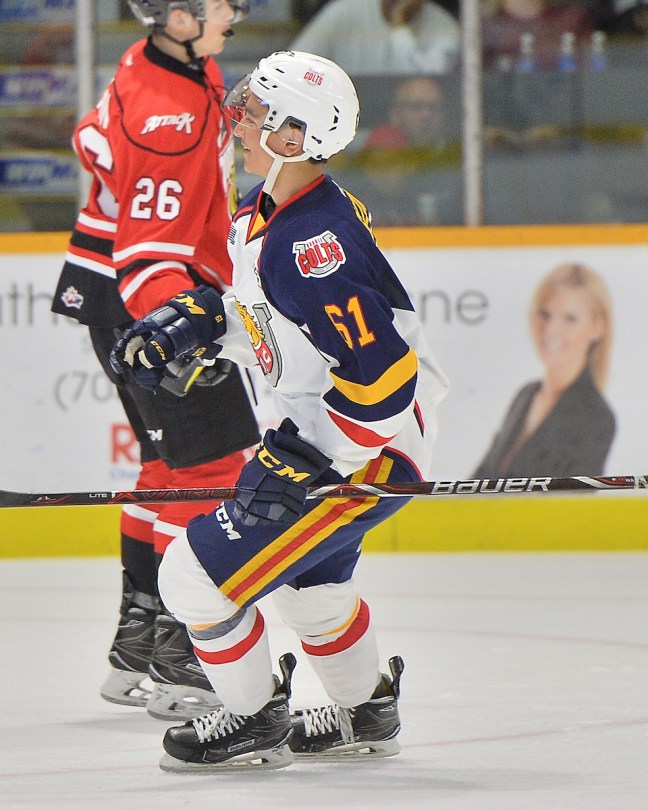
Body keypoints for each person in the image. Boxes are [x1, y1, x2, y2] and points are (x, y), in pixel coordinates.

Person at [110, 49, 450, 771]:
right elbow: (274, 322)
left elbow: (385, 380)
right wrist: (202, 319)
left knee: (191, 577)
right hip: (352, 438)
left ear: (295, 137)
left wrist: (317, 463)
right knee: (309, 590)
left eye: (258, 112)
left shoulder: (310, 245)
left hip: (369, 449)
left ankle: (252, 716)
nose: (240, 117)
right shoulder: (267, 208)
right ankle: (366, 711)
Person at [50, 0, 261, 722]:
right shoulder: (166, 114)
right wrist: (175, 327)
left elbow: (90, 137)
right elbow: (148, 253)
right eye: (221, 2)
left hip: (105, 286)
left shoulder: (167, 63)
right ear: (178, 16)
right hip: (146, 296)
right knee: (214, 467)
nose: (237, 9)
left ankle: (134, 644)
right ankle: (182, 655)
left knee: (167, 467)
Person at [473, 263, 615, 479]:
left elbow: (569, 503)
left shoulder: (596, 416)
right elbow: (481, 479)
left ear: (598, 326)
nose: (551, 330)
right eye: (544, 314)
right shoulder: (527, 395)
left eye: (570, 319)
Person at [353, 75, 462, 225]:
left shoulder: (462, 163)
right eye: (416, 107)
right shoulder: (378, 144)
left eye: (434, 108)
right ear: (395, 114)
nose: (426, 115)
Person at [290, 0, 460, 76]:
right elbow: (294, 63)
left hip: (415, 140)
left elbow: (426, 82)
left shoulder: (445, 27)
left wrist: (399, 26)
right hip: (342, 124)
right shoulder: (344, 10)